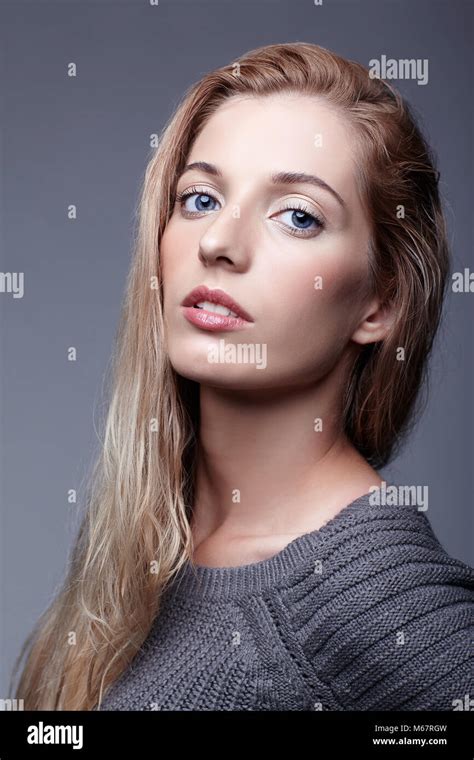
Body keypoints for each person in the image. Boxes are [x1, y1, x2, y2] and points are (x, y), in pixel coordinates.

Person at [11, 42, 473, 711]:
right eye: (199, 199)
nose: (219, 242)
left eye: (298, 215)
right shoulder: (153, 547)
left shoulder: (373, 591)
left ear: (382, 303)